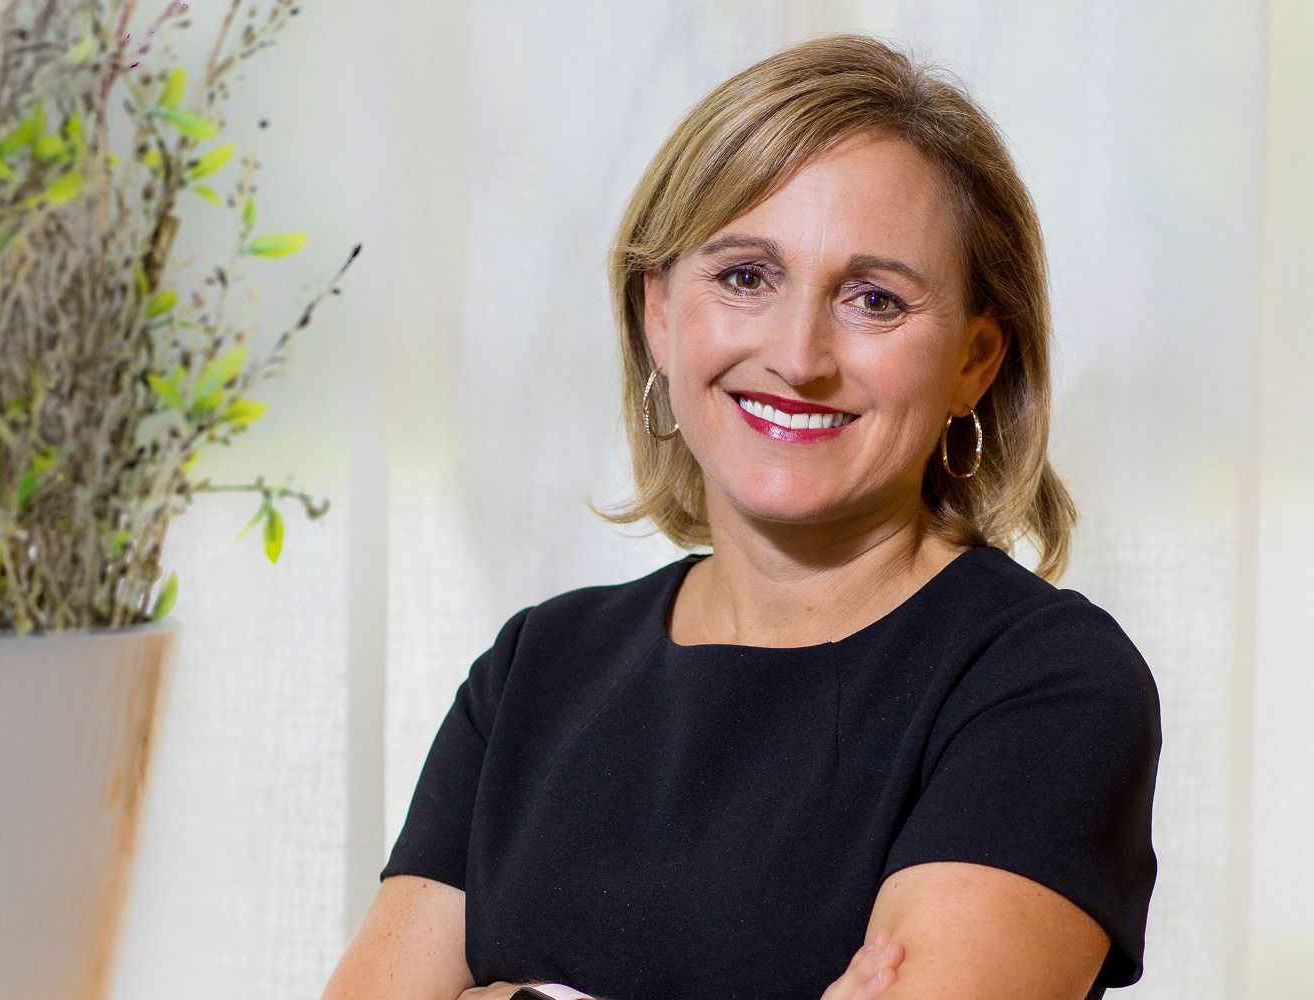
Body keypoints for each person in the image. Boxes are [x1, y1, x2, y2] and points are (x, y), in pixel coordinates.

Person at [321, 33, 1162, 1000]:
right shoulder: (535, 670)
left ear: (976, 360)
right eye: (745, 277)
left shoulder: (1047, 685)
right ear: (660, 315)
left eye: (874, 298)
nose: (799, 356)